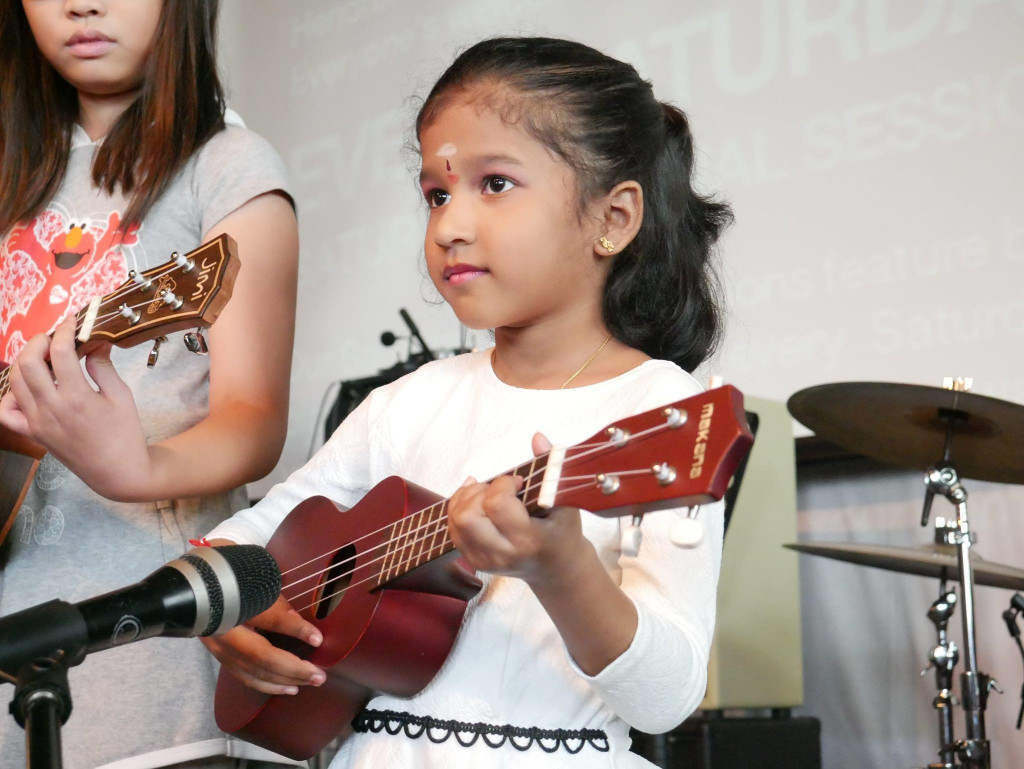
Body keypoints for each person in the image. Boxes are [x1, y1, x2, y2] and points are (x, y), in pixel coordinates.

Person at [203, 36, 733, 768]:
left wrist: (563, 567)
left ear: (612, 219)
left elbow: (668, 694)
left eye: (496, 184)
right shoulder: (409, 402)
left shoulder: (663, 411)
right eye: (437, 193)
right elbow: (250, 534)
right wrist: (228, 599)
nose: (449, 225)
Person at [0, 1, 299, 767]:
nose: (82, 4)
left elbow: (253, 419)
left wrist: (139, 469)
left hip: (154, 684)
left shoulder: (228, 166)